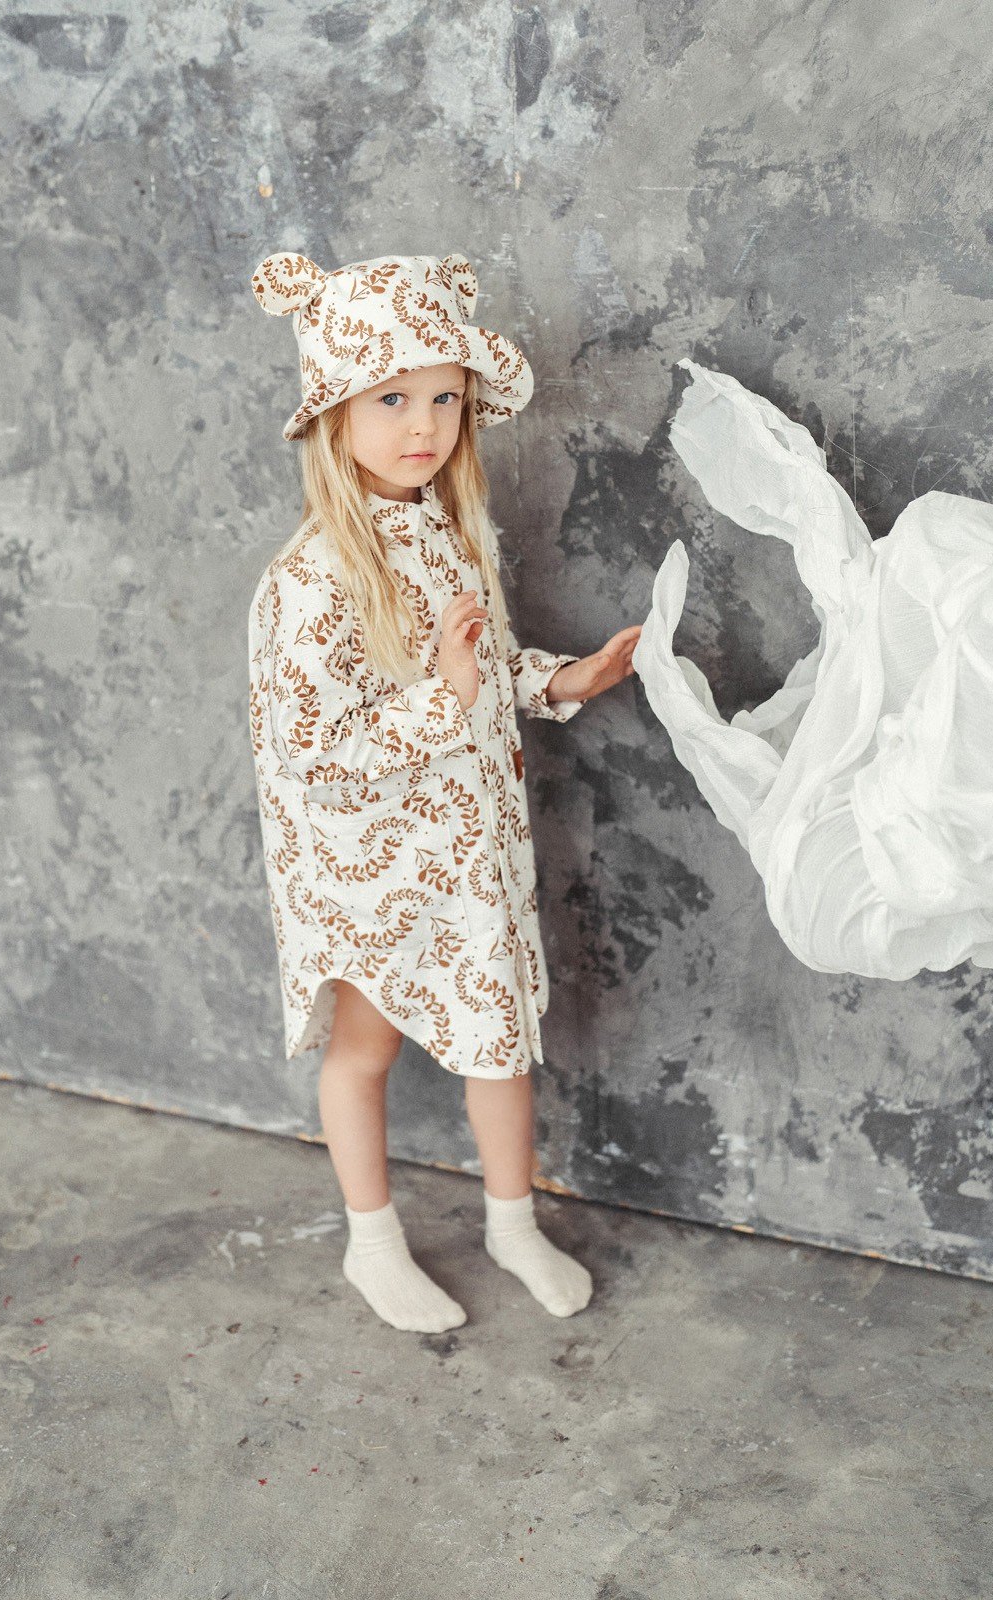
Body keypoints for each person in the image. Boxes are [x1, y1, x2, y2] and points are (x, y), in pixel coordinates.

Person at [247, 251, 642, 1332]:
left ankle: (513, 1222)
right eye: (392, 397)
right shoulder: (311, 579)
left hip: (467, 852)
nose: (423, 424)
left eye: (445, 399)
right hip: (370, 865)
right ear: (334, 411)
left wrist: (563, 678)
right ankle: (371, 1241)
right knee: (364, 1047)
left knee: (496, 1035)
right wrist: (448, 694)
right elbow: (311, 748)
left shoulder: (447, 535)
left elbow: (482, 667)